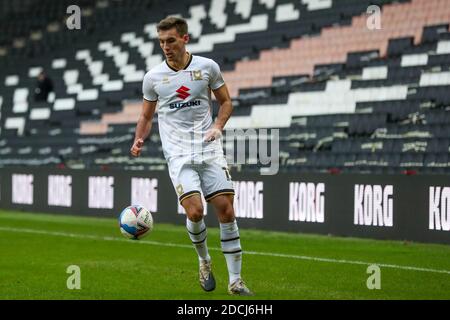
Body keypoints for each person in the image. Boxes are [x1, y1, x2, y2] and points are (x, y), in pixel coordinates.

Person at [130, 16, 253, 296]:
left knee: (226, 209)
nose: (165, 46)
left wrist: (218, 126)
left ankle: (236, 281)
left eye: (170, 40)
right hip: (178, 154)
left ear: (185, 39)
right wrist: (139, 139)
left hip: (209, 148)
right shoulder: (153, 78)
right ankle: (204, 260)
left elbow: (226, 102)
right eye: (161, 42)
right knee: (196, 211)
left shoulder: (207, 67)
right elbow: (146, 116)